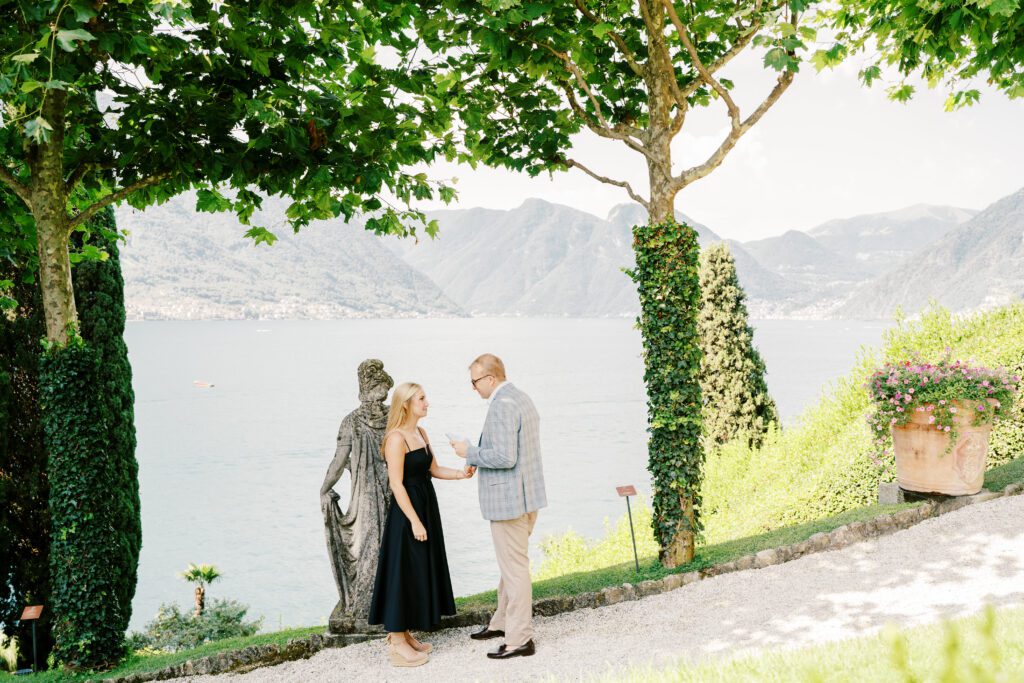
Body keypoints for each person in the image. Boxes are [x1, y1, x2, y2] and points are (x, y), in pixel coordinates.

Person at [368, 382, 475, 667]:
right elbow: (396, 484)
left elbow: (433, 469)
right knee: (402, 571)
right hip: (407, 513)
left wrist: (460, 475)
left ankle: (404, 633)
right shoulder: (396, 438)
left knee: (416, 569)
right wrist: (414, 520)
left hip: (426, 504)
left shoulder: (421, 433)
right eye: (422, 399)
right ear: (406, 404)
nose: (427, 403)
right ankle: (396, 640)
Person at [452, 353, 547, 660]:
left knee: (515, 570)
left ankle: (520, 640)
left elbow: (506, 458)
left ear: (490, 379)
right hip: (526, 498)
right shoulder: (522, 398)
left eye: (474, 382)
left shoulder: (503, 405)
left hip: (509, 504)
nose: (473, 388)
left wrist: (470, 452)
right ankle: (502, 621)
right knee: (511, 565)